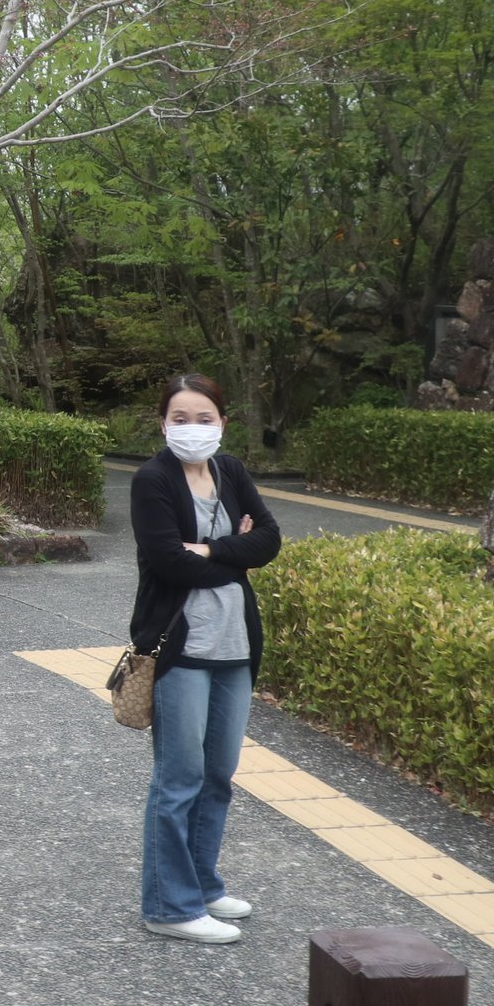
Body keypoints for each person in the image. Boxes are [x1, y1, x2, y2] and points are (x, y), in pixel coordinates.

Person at [130, 373, 281, 943]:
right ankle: (169, 907)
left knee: (218, 774)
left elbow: (268, 540)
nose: (193, 429)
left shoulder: (231, 471)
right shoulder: (153, 481)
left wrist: (215, 550)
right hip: (181, 647)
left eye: (204, 418)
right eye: (180, 418)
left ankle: (202, 886)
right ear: (163, 422)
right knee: (180, 778)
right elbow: (169, 562)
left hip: (235, 646)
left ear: (222, 421)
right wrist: (236, 555)